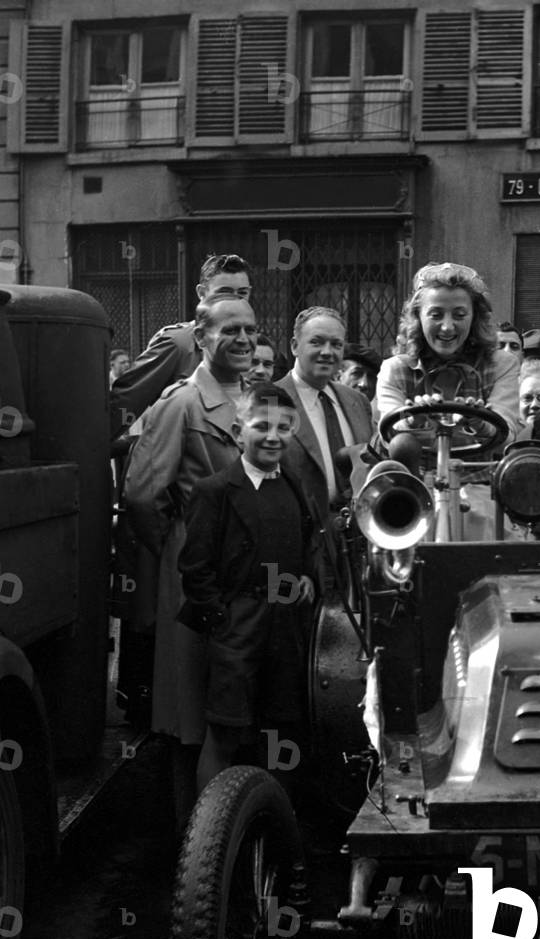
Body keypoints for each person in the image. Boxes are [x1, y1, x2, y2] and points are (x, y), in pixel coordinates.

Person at [123, 296, 257, 822]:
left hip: (246, 573)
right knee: (192, 714)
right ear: (201, 338)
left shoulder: (255, 398)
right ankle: (194, 845)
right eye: (229, 330)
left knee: (234, 703)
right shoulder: (180, 403)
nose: (243, 339)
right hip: (196, 575)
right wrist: (181, 548)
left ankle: (239, 830)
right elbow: (141, 496)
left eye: (249, 329)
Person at [177, 384, 317, 794]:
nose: (273, 436)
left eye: (284, 427)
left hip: (285, 627)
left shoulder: (292, 484)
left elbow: (307, 539)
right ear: (239, 431)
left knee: (279, 727)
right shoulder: (215, 491)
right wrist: (222, 621)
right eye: (261, 426)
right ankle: (210, 834)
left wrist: (307, 577)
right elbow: (195, 567)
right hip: (238, 629)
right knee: (225, 731)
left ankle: (276, 822)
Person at [376, 262, 520, 538]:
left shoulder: (501, 364)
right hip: (414, 487)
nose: (447, 326)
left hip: (479, 487)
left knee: (484, 523)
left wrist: (479, 421)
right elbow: (390, 432)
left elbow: (507, 432)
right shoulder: (396, 368)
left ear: (474, 317)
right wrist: (413, 421)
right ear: (418, 318)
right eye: (436, 314)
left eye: (459, 314)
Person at [276, 307, 374, 592]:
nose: (327, 352)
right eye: (316, 342)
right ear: (295, 346)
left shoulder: (356, 401)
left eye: (336, 344)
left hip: (356, 545)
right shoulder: (270, 401)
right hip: (298, 551)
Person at [110, 253, 252, 439]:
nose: (234, 301)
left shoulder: (249, 343)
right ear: (201, 293)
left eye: (242, 293)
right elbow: (125, 404)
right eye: (224, 293)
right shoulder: (179, 343)